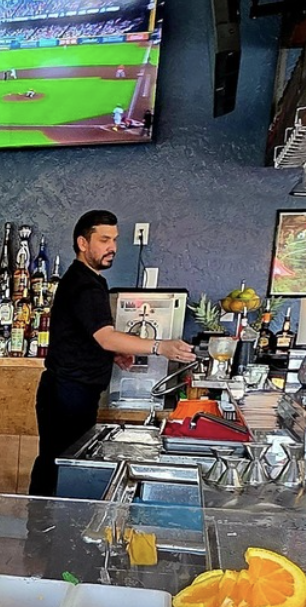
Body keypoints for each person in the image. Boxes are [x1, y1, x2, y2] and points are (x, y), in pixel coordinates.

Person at [29, 210, 195, 496]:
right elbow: (105, 337)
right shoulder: (83, 284)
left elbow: (88, 336)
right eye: (104, 240)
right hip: (68, 393)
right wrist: (161, 347)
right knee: (60, 464)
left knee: (62, 462)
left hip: (74, 390)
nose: (113, 247)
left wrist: (112, 354)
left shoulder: (91, 281)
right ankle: (44, 527)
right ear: (83, 243)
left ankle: (47, 525)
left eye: (115, 240)